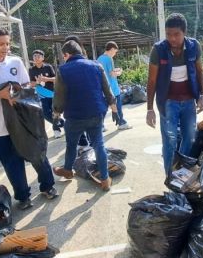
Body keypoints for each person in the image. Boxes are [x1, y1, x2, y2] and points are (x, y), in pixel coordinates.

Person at [0, 26, 57, 210]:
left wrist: (17, 92)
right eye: (1, 44)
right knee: (12, 162)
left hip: (23, 120)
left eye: (7, 43)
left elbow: (26, 85)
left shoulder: (15, 62)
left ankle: (48, 186)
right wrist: (0, 95)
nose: (6, 47)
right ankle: (23, 196)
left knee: (37, 153)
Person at [52, 40, 119, 191]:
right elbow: (107, 90)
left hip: (74, 116)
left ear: (66, 54)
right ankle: (105, 179)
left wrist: (56, 115)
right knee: (98, 145)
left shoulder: (62, 70)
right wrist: (114, 109)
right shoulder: (96, 65)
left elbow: (59, 97)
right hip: (96, 113)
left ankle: (68, 170)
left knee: (71, 145)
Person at [146, 13, 203, 175]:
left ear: (184, 32)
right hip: (168, 102)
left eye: (176, 34)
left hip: (188, 102)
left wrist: (202, 95)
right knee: (170, 141)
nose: (172, 38)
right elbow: (151, 81)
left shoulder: (194, 46)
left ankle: (182, 171)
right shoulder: (159, 50)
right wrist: (150, 109)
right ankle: (170, 176)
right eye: (168, 34)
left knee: (190, 138)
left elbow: (200, 71)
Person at [97, 41, 132, 130]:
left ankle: (100, 125)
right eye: (115, 51)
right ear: (112, 49)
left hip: (103, 88)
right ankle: (121, 123)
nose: (115, 54)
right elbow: (112, 74)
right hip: (112, 88)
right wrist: (119, 72)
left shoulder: (99, 59)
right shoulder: (109, 59)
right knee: (118, 106)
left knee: (103, 108)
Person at [29, 49, 63, 138]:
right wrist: (37, 82)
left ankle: (56, 130)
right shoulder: (31, 69)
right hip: (41, 95)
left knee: (55, 112)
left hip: (52, 93)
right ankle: (62, 123)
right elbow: (31, 83)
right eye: (34, 56)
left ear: (43, 58)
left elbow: (56, 78)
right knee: (45, 114)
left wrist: (46, 79)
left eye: (38, 56)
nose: (36, 58)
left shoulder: (48, 67)